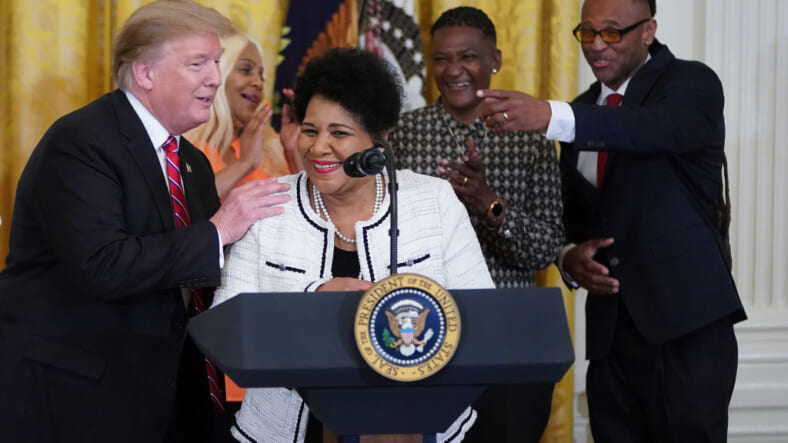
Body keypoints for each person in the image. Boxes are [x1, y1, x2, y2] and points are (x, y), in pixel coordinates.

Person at [0, 1, 290, 442]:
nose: (215, 77)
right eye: (198, 63)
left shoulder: (189, 160)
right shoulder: (81, 142)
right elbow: (103, 264)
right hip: (75, 397)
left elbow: (198, 272)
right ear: (145, 72)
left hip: (162, 397)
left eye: (216, 62)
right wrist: (219, 230)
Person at [476, 0, 746, 441]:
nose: (597, 45)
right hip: (610, 337)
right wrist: (569, 256)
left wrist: (551, 115)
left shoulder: (691, 84)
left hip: (686, 328)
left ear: (648, 31)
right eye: (587, 32)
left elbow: (650, 129)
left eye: (612, 32)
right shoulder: (581, 110)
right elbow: (575, 219)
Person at [212, 47, 494, 443]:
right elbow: (226, 326)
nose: (318, 148)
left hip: (417, 421)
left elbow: (480, 314)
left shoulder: (433, 200)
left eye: (339, 133)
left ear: (380, 138)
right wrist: (315, 301)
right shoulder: (267, 204)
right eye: (310, 130)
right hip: (284, 428)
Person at [387, 7, 563, 442]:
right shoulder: (404, 134)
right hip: (424, 334)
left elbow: (546, 248)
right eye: (441, 59)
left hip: (510, 336)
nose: (453, 70)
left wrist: (490, 205)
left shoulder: (529, 138)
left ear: (495, 60)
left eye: (467, 57)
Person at [185, 31, 302, 200]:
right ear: (217, 74)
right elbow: (188, 208)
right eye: (246, 70)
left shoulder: (274, 145)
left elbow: (315, 210)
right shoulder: (181, 144)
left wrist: (292, 152)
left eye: (262, 77)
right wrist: (244, 164)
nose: (258, 83)